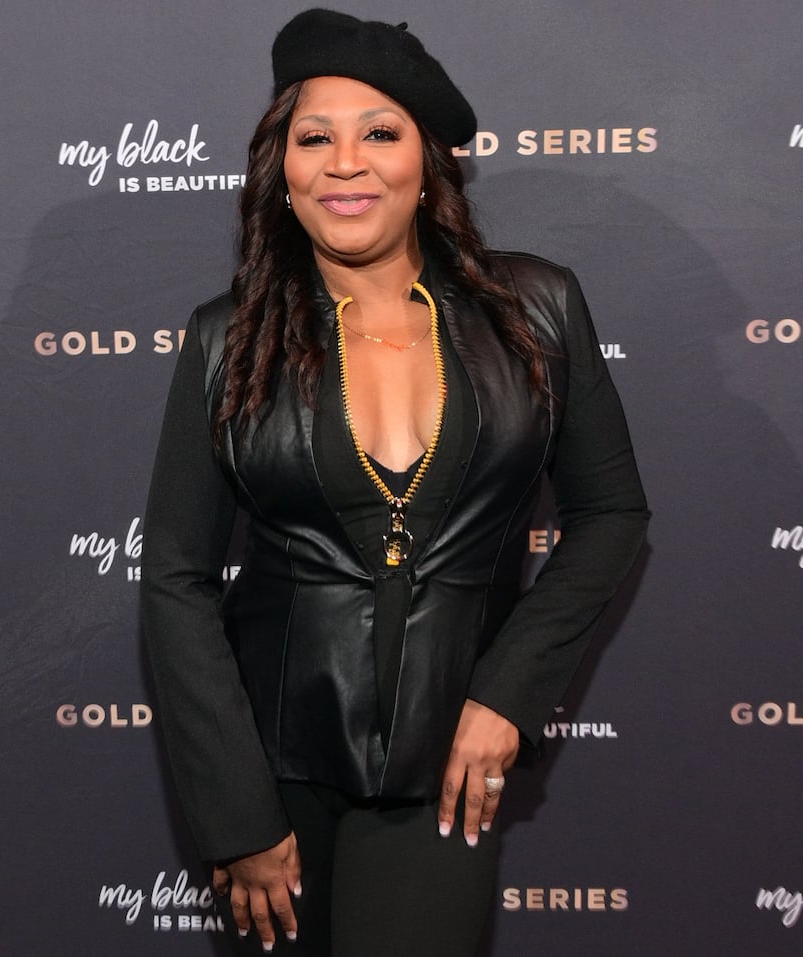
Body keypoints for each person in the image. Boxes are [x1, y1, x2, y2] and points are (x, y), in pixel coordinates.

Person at [141, 9, 649, 955]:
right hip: (272, 773)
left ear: (429, 164)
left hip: (444, 766)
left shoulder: (537, 309)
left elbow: (612, 512)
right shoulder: (226, 338)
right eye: (314, 138)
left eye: (379, 133)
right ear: (282, 170)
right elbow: (175, 575)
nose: (345, 164)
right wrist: (234, 813)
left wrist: (509, 691)